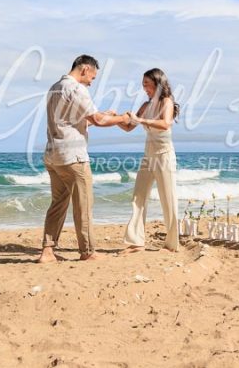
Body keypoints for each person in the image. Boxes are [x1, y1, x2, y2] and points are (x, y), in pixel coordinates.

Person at [37, 54, 129, 264]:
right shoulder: (77, 88)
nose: (91, 81)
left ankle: (47, 251)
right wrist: (121, 119)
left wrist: (102, 116)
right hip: (73, 156)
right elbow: (97, 119)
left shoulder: (54, 87)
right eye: (92, 77)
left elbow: (74, 121)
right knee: (84, 204)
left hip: (53, 154)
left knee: (58, 203)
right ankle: (87, 251)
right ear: (85, 69)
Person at [118, 68, 180, 253]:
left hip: (164, 156)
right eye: (143, 83)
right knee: (139, 196)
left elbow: (165, 123)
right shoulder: (145, 106)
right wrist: (116, 118)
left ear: (157, 83)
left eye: (147, 83)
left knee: (168, 199)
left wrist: (141, 120)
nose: (144, 87)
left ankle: (171, 244)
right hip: (148, 156)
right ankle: (136, 241)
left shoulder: (166, 102)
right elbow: (130, 126)